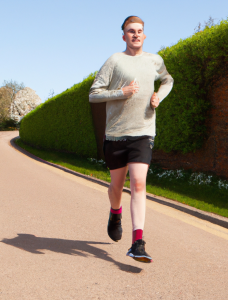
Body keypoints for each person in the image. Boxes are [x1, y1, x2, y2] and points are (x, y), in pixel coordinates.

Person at [89, 16, 173, 263]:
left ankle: (138, 243)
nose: (136, 34)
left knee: (138, 183)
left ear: (144, 35)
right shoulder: (115, 60)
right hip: (116, 134)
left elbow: (168, 80)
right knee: (116, 187)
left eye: (139, 31)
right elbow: (94, 94)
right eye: (130, 31)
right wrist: (121, 92)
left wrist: (159, 95)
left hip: (143, 132)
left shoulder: (154, 60)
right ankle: (115, 213)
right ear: (123, 35)